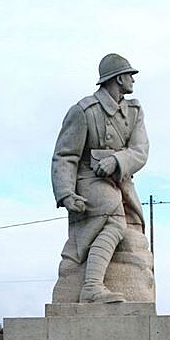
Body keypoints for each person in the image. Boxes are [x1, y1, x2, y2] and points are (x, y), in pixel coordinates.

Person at [51, 53, 149, 303]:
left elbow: (140, 151)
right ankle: (92, 286)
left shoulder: (134, 111)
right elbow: (65, 155)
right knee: (116, 221)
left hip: (120, 181)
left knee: (132, 228)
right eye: (129, 76)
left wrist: (116, 161)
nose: (133, 81)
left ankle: (99, 281)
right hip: (88, 179)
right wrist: (65, 194)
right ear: (117, 79)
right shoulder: (85, 111)